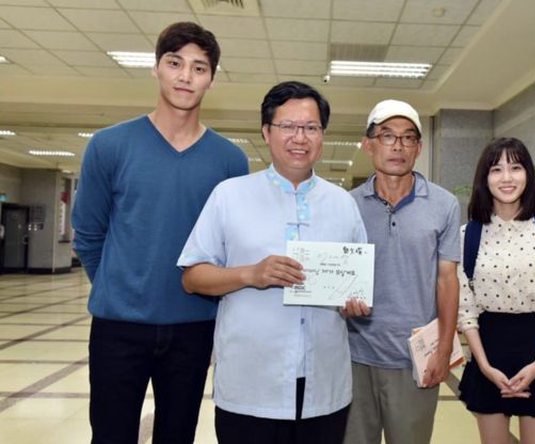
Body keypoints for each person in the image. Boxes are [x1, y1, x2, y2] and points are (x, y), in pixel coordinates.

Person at [72, 22, 248, 444]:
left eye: (199, 68)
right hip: (118, 327)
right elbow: (89, 235)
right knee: (110, 435)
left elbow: (229, 248)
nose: (185, 76)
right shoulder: (109, 146)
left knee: (178, 435)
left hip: (194, 327)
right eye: (174, 63)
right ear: (156, 68)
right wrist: (119, 289)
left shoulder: (230, 161)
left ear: (212, 79)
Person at [178, 80, 368, 444]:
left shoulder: (343, 204)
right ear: (266, 132)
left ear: (322, 135)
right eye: (288, 126)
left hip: (324, 386)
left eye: (311, 127)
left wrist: (353, 302)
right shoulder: (230, 196)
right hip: (251, 384)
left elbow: (356, 283)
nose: (300, 137)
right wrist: (251, 274)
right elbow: (192, 276)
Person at [343, 100, 461, 444]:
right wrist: (339, 301)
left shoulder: (444, 204)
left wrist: (443, 350)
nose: (398, 146)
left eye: (408, 138)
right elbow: (336, 276)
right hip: (353, 356)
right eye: (387, 136)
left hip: (414, 358)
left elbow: (447, 281)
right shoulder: (346, 205)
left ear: (418, 148)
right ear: (368, 145)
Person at [457, 137, 535, 444]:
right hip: (488, 350)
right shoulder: (468, 234)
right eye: (496, 169)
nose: (507, 177)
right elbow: (465, 308)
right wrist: (484, 366)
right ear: (484, 178)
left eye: (515, 167)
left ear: (528, 173)